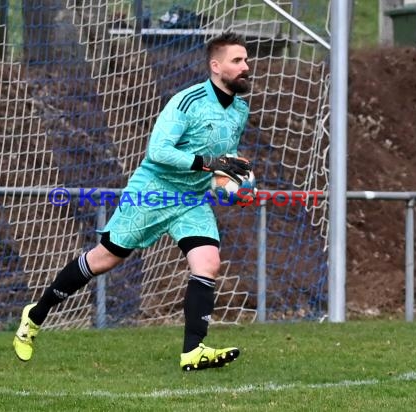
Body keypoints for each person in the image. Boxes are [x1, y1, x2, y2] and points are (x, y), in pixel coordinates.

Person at [13, 32, 253, 371]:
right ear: (216, 66)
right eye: (237, 60)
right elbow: (159, 152)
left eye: (245, 60)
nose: (246, 66)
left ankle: (193, 351)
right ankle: (35, 316)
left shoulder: (239, 110)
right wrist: (209, 164)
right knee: (103, 260)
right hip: (152, 192)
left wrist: (231, 182)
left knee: (208, 264)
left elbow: (221, 159)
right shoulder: (188, 102)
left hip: (190, 200)